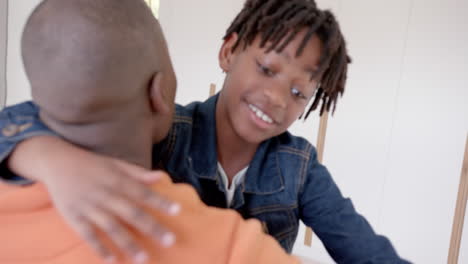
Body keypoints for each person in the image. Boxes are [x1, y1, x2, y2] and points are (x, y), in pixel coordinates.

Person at [0, 0, 410, 263]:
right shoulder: (164, 129)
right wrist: (51, 160)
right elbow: (30, 115)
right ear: (229, 51)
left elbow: (364, 249)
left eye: (300, 91)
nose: (278, 98)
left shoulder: (301, 166)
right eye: (267, 69)